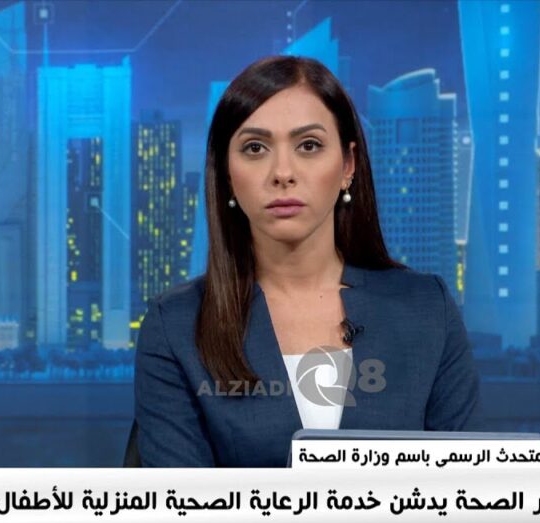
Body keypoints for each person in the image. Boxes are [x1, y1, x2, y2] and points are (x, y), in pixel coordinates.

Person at [133, 55, 482, 467]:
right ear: (227, 174)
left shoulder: (427, 310)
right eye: (255, 148)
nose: (283, 172)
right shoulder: (176, 326)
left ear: (348, 165)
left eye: (309, 146)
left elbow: (466, 490)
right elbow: (180, 504)